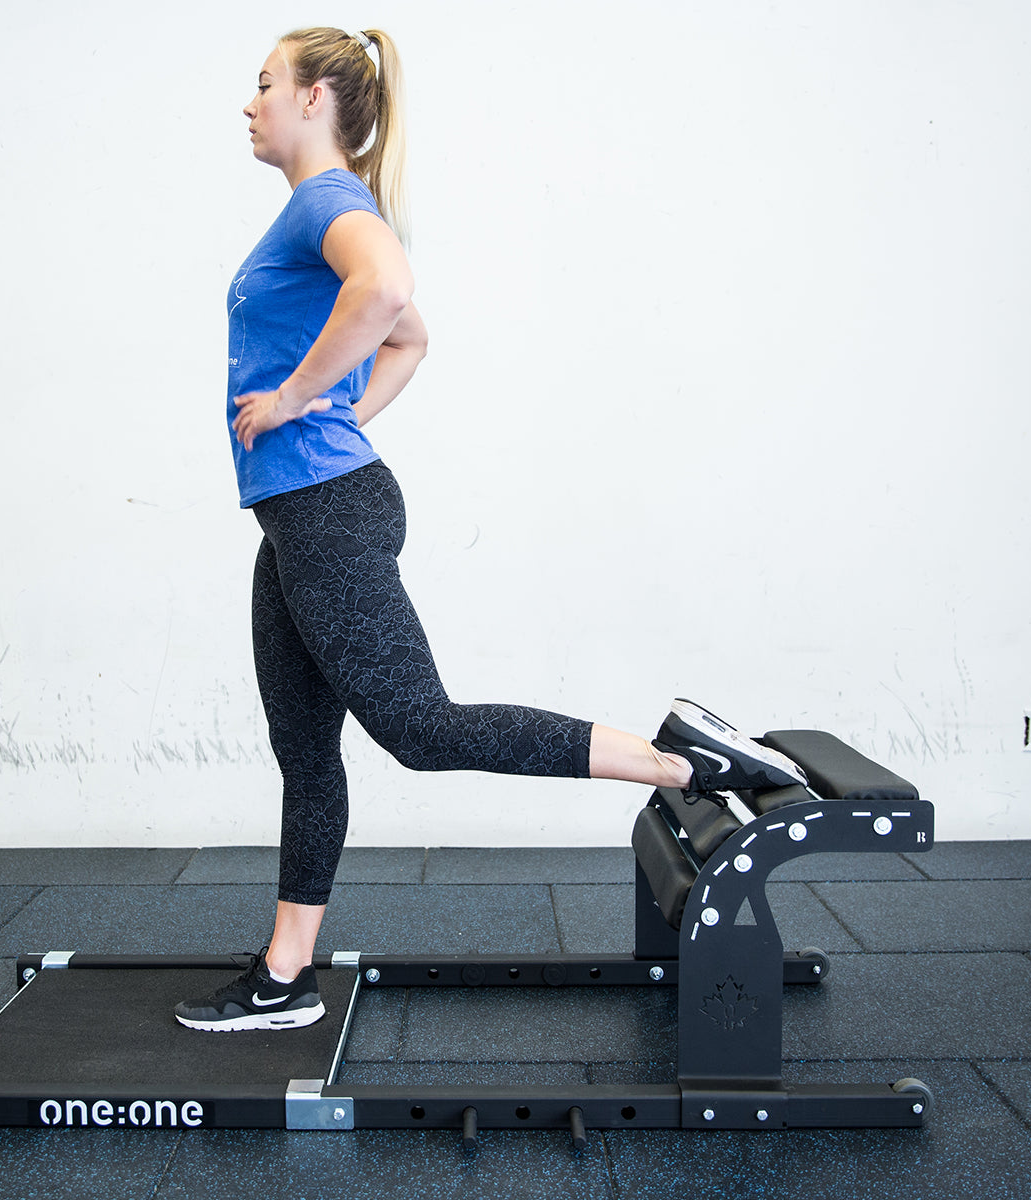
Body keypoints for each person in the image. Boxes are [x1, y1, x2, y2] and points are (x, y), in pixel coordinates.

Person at [174, 27, 806, 1033]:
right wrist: (336, 410)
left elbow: (388, 292)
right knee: (306, 751)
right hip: (302, 515)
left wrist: (297, 401)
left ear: (316, 99)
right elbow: (410, 339)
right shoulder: (314, 208)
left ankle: (680, 759)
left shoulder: (329, 201)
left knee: (422, 730)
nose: (250, 104)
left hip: (327, 511)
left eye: (265, 85)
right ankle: (284, 977)